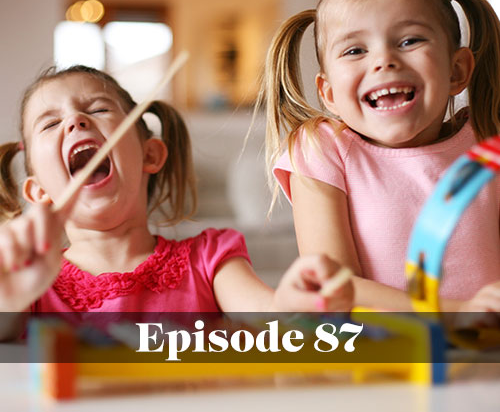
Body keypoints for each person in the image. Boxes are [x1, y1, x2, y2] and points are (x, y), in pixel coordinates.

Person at [0, 65, 353, 333]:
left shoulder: (209, 259)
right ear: (40, 193)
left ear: (150, 155)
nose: (76, 121)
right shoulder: (29, 286)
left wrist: (292, 304)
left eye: (97, 109)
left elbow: (267, 316)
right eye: (49, 124)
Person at [256, 0, 500, 313]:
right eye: (355, 50)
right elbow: (335, 286)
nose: (384, 60)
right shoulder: (321, 150)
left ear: (457, 70)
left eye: (410, 40)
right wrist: (454, 314)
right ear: (329, 94)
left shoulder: (487, 144)